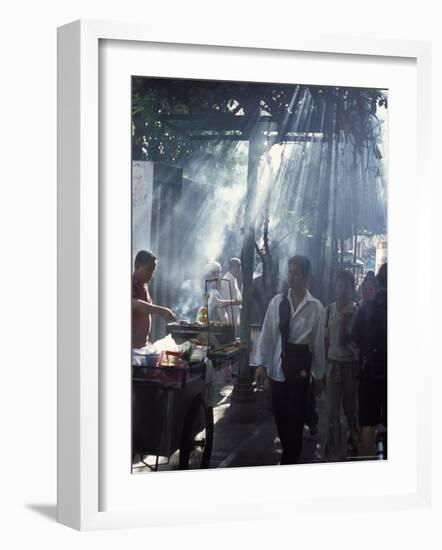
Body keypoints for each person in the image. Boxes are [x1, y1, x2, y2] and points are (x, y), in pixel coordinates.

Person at [255, 255, 325, 464]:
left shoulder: (316, 308)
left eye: (297, 273)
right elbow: (266, 335)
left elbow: (318, 344)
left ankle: (289, 461)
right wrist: (261, 364)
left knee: (294, 422)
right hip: (277, 371)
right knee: (281, 418)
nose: (292, 277)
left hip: (300, 374)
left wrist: (319, 377)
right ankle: (289, 454)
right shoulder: (277, 303)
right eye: (290, 272)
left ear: (306, 277)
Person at [351, 263, 387, 458]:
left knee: (368, 425)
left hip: (369, 374)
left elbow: (354, 338)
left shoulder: (366, 309)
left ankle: (366, 466)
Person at [323, 270, 360, 461]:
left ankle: (353, 445)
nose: (342, 290)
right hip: (333, 365)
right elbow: (326, 340)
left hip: (351, 367)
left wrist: (345, 318)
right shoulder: (328, 310)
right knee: (331, 413)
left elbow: (348, 338)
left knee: (350, 411)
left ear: (352, 289)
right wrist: (323, 368)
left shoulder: (356, 311)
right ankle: (333, 453)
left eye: (346, 286)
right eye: (339, 286)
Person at [132, 250, 176, 348]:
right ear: (137, 265)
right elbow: (135, 304)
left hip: (143, 346)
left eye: (153, 271)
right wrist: (162, 311)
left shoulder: (144, 286)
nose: (151, 274)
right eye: (149, 269)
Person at [220, 257, 243, 332]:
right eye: (240, 266)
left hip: (235, 316)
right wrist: (228, 321)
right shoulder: (227, 280)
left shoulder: (233, 279)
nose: (240, 269)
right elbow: (225, 301)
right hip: (230, 319)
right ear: (235, 267)